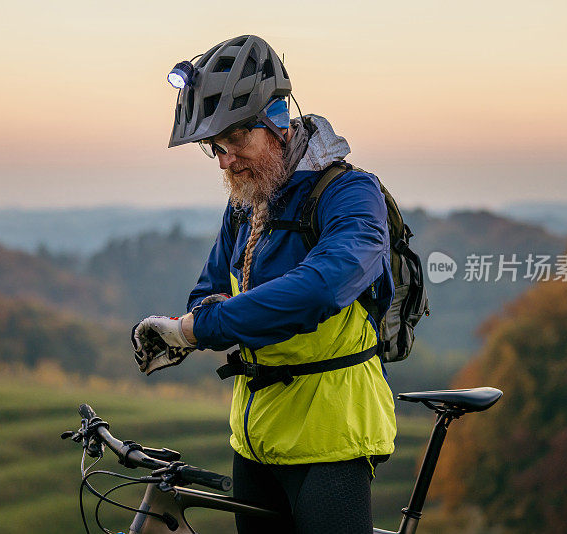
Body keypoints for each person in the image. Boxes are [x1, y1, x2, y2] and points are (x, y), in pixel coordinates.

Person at [132, 35, 396, 534]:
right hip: (254, 437)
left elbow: (319, 289)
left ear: (277, 117)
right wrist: (187, 322)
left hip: (331, 436)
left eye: (235, 139)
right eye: (215, 147)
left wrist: (198, 329)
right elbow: (206, 293)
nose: (226, 160)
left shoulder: (351, 194)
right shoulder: (248, 202)